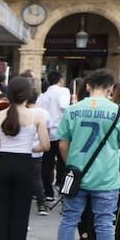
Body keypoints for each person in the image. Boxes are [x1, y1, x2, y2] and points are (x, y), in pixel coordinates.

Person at [52, 69, 120, 240]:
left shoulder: (73, 110)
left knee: (69, 219)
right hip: (107, 177)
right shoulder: (116, 112)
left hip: (76, 174)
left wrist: (72, 164)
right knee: (105, 223)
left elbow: (63, 144)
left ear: (88, 86)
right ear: (111, 88)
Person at [0, 76, 51, 240]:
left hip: (2, 163)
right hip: (24, 163)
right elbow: (46, 145)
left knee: (0, 210)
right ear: (28, 94)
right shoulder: (37, 116)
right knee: (20, 212)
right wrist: (31, 147)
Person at [36, 70, 72, 205]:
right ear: (61, 79)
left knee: (47, 164)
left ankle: (48, 192)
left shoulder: (43, 96)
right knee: (63, 164)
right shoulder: (63, 91)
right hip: (61, 132)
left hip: (46, 133)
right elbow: (64, 107)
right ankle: (64, 192)